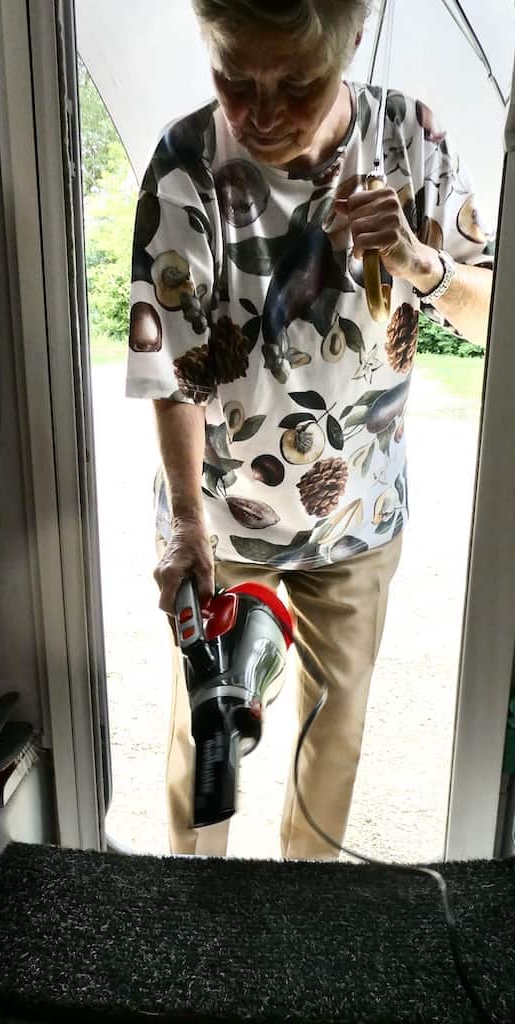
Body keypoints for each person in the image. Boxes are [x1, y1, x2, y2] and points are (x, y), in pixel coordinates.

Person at [125, 0, 493, 859]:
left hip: (358, 514)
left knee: (334, 742)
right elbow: (171, 368)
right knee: (207, 735)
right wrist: (186, 523)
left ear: (350, 42)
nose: (259, 114)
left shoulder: (412, 141)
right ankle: (191, 903)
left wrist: (419, 263)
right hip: (218, 519)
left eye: (295, 84)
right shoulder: (186, 160)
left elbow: (491, 319)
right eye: (234, 78)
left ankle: (307, 907)